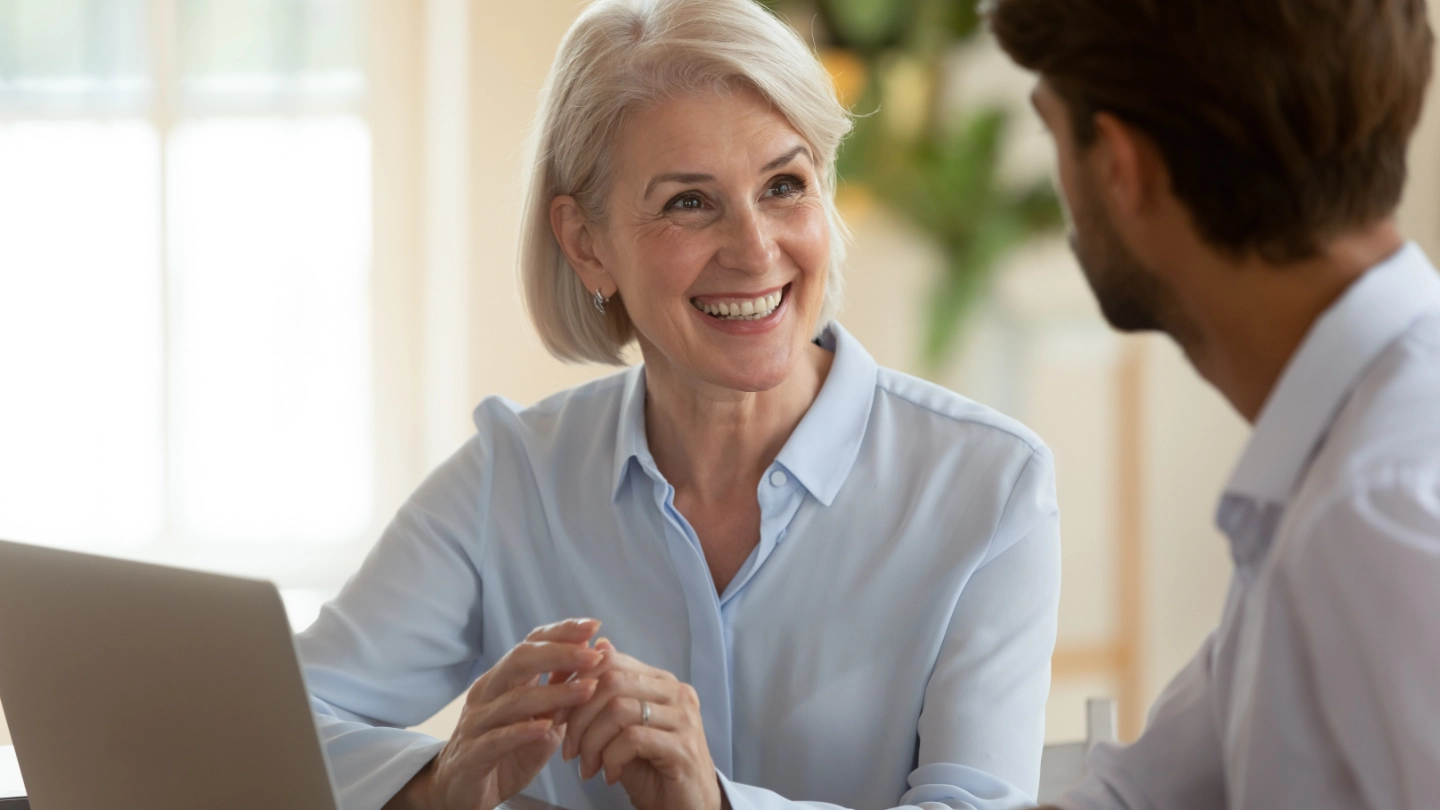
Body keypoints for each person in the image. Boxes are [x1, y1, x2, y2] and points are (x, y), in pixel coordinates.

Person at [297, 1, 1062, 809]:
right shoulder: (512, 478)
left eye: (783, 185)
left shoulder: (990, 485)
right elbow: (287, 718)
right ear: (588, 244)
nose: (756, 249)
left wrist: (721, 805)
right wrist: (437, 787)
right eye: (689, 202)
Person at [983, 0, 1440, 808]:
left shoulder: (1373, 509)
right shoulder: (1328, 467)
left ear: (1123, 168)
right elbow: (1140, 795)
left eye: (1055, 136)